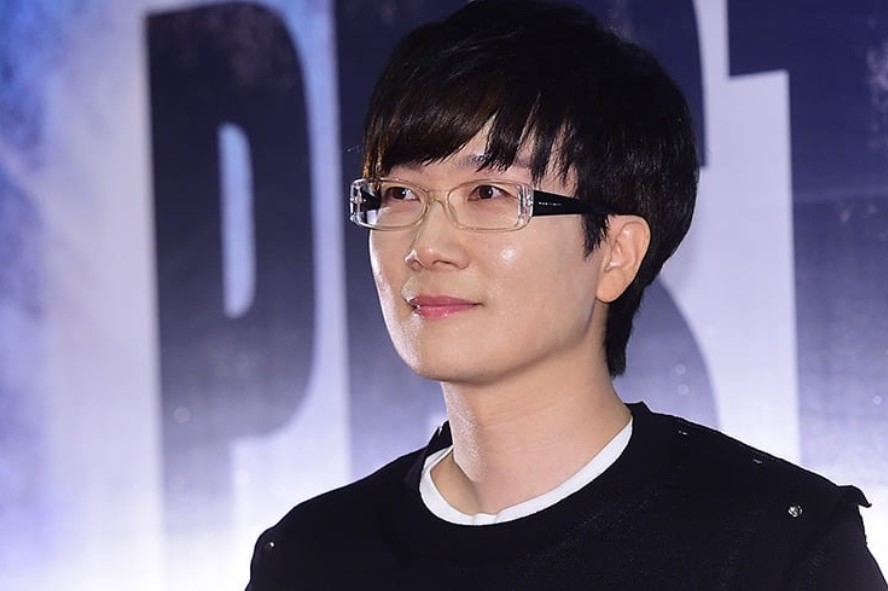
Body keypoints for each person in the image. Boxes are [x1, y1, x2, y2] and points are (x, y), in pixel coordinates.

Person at [246, 0, 887, 588]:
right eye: (400, 194)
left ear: (616, 253)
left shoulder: (776, 549)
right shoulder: (310, 558)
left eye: (489, 193)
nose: (426, 244)